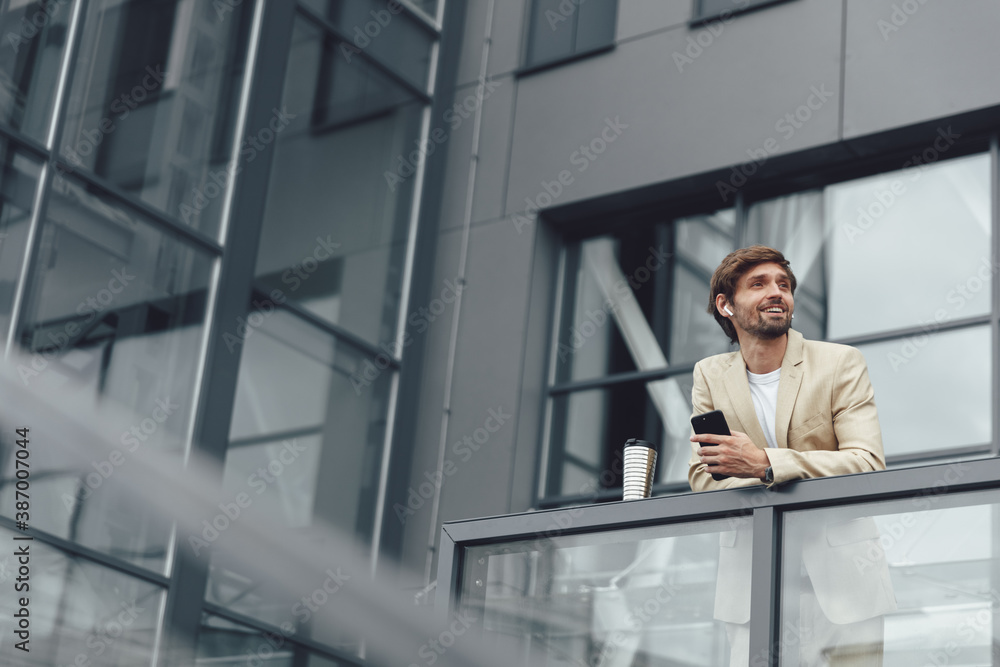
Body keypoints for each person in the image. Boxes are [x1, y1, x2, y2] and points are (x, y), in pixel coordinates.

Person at [687, 245, 895, 666]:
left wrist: (766, 463)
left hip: (845, 585)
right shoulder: (710, 374)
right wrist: (764, 468)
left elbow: (866, 463)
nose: (776, 292)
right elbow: (705, 477)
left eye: (783, 284)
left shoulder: (839, 363)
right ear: (725, 305)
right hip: (752, 583)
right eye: (758, 284)